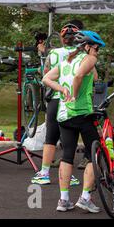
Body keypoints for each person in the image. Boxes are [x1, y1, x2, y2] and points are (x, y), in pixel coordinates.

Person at [43, 30, 105, 213]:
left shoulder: (65, 62)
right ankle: (85, 197)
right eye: (96, 48)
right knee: (95, 153)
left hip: (64, 114)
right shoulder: (89, 59)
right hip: (83, 113)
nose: (98, 52)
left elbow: (46, 79)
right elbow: (79, 77)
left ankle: (64, 200)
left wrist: (62, 89)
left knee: (68, 154)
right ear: (87, 46)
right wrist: (75, 94)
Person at [31, 20, 84, 186]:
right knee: (69, 139)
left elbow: (45, 74)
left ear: (62, 39)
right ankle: (70, 175)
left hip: (55, 98)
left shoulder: (53, 54)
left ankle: (45, 173)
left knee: (51, 137)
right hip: (73, 101)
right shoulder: (82, 54)